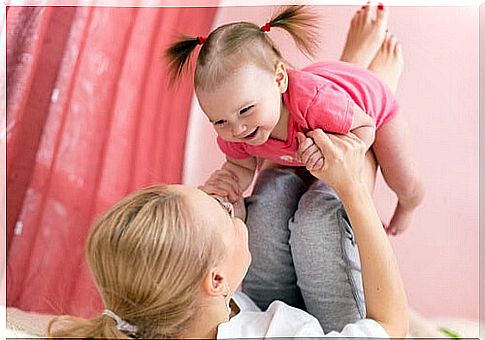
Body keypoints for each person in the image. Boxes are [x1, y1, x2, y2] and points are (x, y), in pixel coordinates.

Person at [48, 129, 408, 340]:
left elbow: (205, 250)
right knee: (318, 221)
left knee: (269, 201)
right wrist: (356, 191)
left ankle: (319, 108)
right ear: (216, 278)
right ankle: (355, 109)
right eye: (220, 210)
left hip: (256, 304)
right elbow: (393, 329)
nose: (225, 201)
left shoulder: (165, 313)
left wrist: (217, 221)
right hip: (322, 327)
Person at [165, 4, 425, 235]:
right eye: (219, 122)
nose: (237, 128)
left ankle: (409, 202)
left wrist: (337, 148)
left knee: (404, 179)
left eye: (245, 110)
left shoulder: (314, 104)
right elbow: (242, 166)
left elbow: (365, 127)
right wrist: (229, 184)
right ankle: (351, 64)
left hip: (368, 104)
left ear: (279, 79)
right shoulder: (240, 128)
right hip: (313, 117)